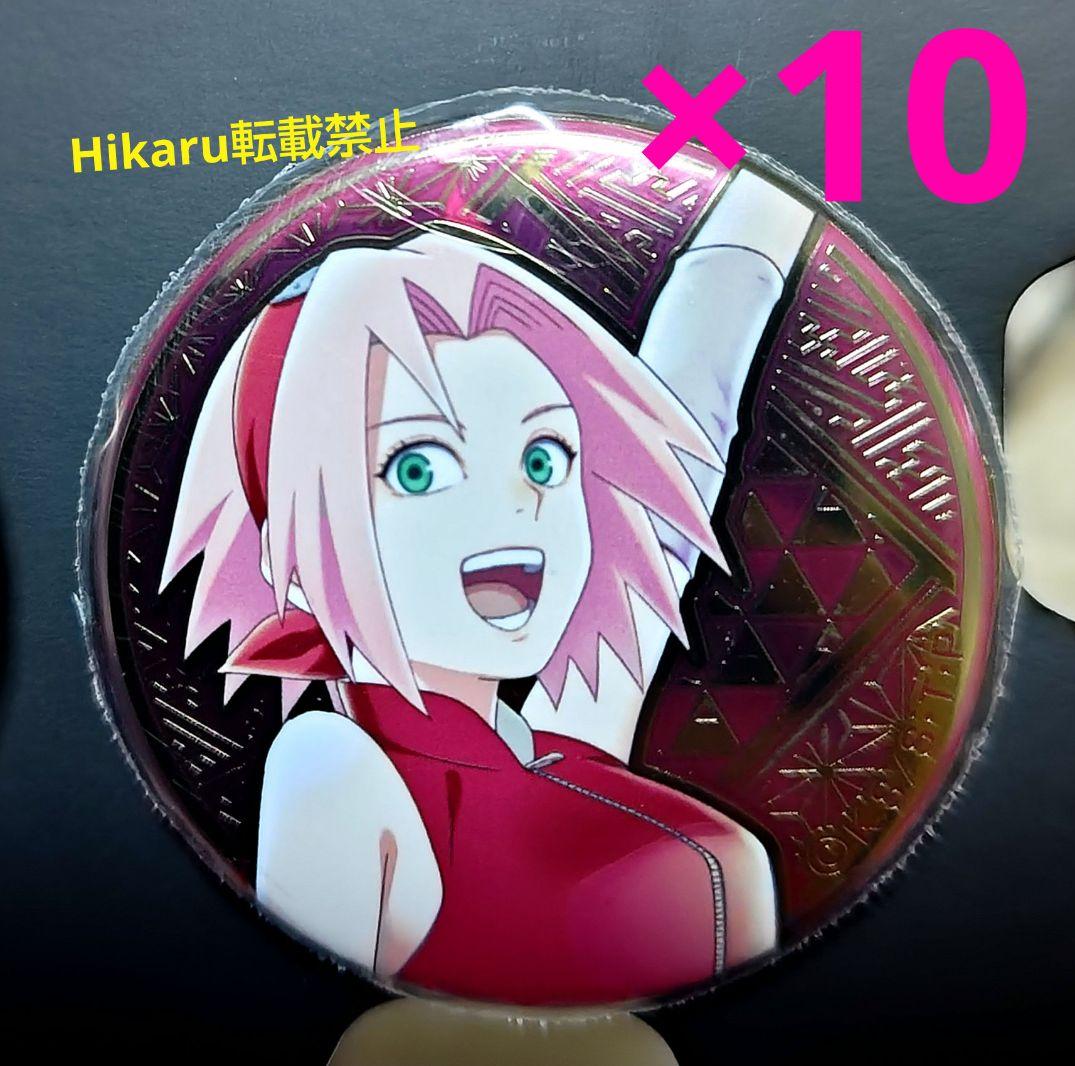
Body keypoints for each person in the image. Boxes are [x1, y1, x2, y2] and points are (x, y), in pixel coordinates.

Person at [160, 169, 813, 1005]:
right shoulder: (332, 765)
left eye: (545, 458)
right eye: (418, 467)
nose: (516, 505)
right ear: (295, 524)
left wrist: (790, 170)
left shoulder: (559, 745)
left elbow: (694, 405)